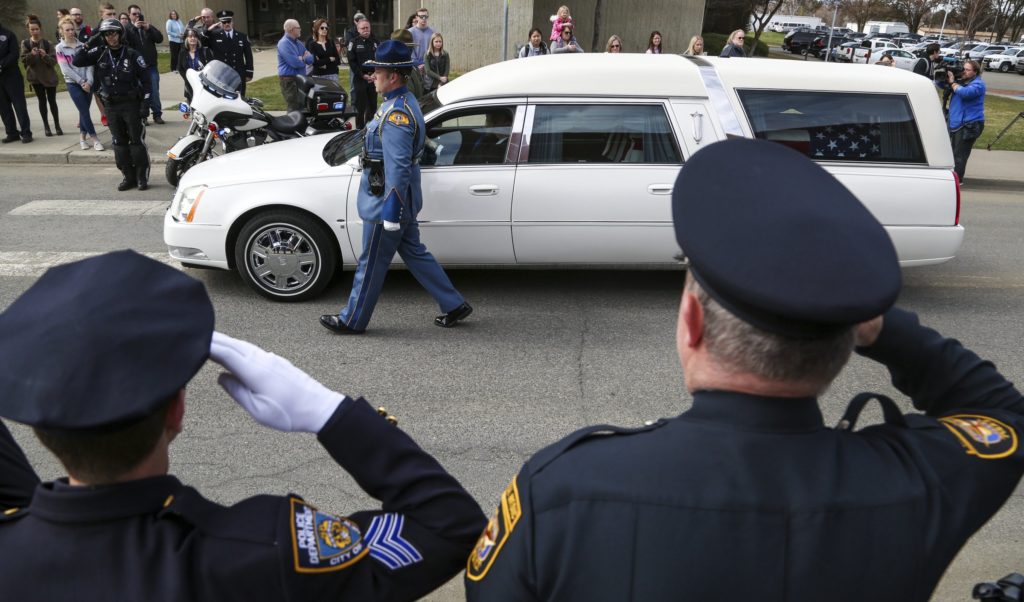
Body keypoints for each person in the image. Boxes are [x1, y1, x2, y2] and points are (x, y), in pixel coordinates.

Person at [464, 138, 1024, 600]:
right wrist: (880, 325)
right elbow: (1002, 414)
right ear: (851, 335)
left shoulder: (563, 489)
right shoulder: (921, 481)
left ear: (692, 322)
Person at [0, 250, 487, 600]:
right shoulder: (259, 552)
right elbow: (449, 527)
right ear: (177, 411)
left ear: (39, 424)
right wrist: (328, 411)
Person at [320, 40, 472, 335]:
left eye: (377, 71)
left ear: (392, 76)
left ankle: (352, 320)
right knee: (414, 252)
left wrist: (390, 211)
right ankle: (453, 304)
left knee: (370, 263)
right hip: (398, 199)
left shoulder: (396, 116)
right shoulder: (400, 104)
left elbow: (399, 167)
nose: (372, 75)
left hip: (386, 203)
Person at [74, 18, 152, 191]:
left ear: (120, 34)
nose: (111, 37)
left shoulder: (132, 54)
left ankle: (141, 176)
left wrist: (145, 104)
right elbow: (77, 61)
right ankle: (127, 176)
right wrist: (89, 43)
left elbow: (147, 82)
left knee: (136, 142)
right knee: (119, 142)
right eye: (106, 34)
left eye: (113, 33)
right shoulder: (100, 52)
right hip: (111, 105)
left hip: (131, 104)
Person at [56, 16, 103, 150]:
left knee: (84, 111)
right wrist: (81, 81)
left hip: (87, 83)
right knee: (84, 111)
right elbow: (65, 68)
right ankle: (95, 139)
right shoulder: (60, 48)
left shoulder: (83, 46)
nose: (71, 32)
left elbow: (89, 65)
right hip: (74, 84)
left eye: (72, 29)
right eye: (67, 30)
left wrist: (89, 81)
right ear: (61, 32)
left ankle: (82, 138)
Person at [21, 16, 62, 137]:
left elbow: (54, 62)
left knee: (52, 102)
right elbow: (24, 60)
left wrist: (44, 55)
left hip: (49, 78)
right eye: (32, 29)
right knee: (42, 102)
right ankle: (46, 126)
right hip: (35, 78)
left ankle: (57, 125)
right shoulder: (26, 43)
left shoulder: (47, 43)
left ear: (40, 29)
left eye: (37, 29)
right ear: (28, 29)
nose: (35, 31)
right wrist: (32, 55)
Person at [946, 59, 986, 184]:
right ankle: (952, 177)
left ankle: (957, 181)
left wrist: (953, 83)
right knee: (952, 152)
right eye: (964, 69)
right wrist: (946, 78)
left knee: (960, 154)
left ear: (975, 72)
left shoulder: (978, 84)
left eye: (968, 70)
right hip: (957, 123)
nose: (964, 71)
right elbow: (941, 84)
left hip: (969, 124)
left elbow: (965, 93)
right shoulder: (961, 82)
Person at [126, 5, 163, 124]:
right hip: (136, 68)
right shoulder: (127, 29)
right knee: (140, 92)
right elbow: (126, 43)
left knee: (154, 91)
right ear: (129, 15)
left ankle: (157, 114)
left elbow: (159, 39)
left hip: (151, 66)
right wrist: (134, 29)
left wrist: (150, 28)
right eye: (134, 14)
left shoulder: (147, 28)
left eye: (138, 14)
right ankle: (143, 116)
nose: (137, 16)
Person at [0, 19, 33, 143]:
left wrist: (1, 65)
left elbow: (14, 54)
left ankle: (26, 133)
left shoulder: (8, 35)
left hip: (11, 76)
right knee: (4, 108)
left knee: (19, 105)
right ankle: (12, 133)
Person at [207, 10, 253, 96]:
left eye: (229, 21)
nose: (227, 24)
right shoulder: (214, 35)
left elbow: (248, 56)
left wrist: (249, 73)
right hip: (222, 74)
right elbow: (203, 42)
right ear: (220, 23)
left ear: (232, 22)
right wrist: (209, 30)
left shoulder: (242, 36)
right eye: (224, 22)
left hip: (238, 73)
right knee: (222, 99)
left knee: (239, 98)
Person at [347, 19, 377, 130]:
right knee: (360, 106)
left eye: (367, 28)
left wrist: (375, 73)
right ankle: (359, 129)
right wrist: (362, 75)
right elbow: (352, 62)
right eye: (363, 28)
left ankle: (371, 128)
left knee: (372, 106)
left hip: (373, 78)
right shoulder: (353, 42)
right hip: (360, 78)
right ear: (358, 30)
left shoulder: (375, 42)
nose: (365, 30)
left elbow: (379, 59)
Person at [278, 19, 313, 112]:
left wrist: (301, 58)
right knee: (293, 108)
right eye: (298, 28)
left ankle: (299, 126)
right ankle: (291, 125)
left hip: (300, 79)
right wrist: (303, 58)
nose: (300, 29)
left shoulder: (298, 43)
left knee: (302, 107)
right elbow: (295, 63)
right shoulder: (284, 43)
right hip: (289, 81)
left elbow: (310, 59)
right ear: (291, 30)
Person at [177, 27, 214, 103]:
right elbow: (180, 68)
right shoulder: (182, 53)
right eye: (190, 36)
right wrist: (188, 78)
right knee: (192, 108)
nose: (193, 38)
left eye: (195, 37)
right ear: (187, 39)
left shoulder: (205, 51)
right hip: (190, 85)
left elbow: (211, 67)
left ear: (198, 39)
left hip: (203, 86)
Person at [390, 29, 425, 98]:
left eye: (411, 47)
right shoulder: (399, 70)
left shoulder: (413, 66)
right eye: (408, 47)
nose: (410, 49)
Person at [307, 18, 340, 83]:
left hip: (332, 75)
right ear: (317, 29)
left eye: (326, 28)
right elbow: (315, 63)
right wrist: (329, 59)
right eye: (322, 28)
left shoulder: (331, 42)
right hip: (318, 76)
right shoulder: (312, 44)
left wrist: (322, 63)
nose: (324, 29)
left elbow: (338, 60)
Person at [408, 6, 433, 73]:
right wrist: (417, 64)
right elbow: (409, 50)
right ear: (416, 17)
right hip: (414, 67)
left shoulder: (433, 32)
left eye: (426, 16)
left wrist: (426, 64)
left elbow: (435, 50)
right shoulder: (410, 32)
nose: (424, 19)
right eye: (421, 17)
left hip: (429, 67)